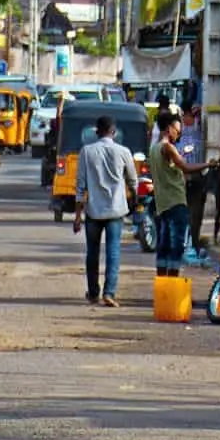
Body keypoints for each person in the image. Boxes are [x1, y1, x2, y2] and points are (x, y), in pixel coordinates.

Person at [74, 115, 141, 307]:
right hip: (116, 211)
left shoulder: (86, 152)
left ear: (96, 132)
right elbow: (133, 181)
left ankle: (93, 292)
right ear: (114, 132)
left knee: (92, 253)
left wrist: (78, 216)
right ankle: (109, 293)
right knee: (113, 252)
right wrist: (135, 201)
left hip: (94, 211)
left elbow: (80, 187)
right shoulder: (123, 151)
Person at [149, 111, 214, 278]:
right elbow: (185, 167)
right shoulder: (168, 147)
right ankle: (172, 282)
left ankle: (162, 281)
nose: (179, 134)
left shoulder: (154, 149)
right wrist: (208, 164)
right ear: (168, 129)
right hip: (176, 202)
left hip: (163, 204)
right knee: (177, 245)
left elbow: (172, 167)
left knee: (164, 245)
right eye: (177, 131)